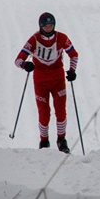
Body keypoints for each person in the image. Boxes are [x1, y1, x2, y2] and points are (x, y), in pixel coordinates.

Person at [14, 12, 79, 154]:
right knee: (44, 113)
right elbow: (18, 60)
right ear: (41, 26)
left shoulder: (61, 38)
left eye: (51, 25)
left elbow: (74, 54)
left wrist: (72, 70)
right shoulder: (34, 39)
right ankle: (44, 141)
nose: (49, 28)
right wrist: (25, 65)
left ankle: (62, 140)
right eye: (46, 26)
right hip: (40, 81)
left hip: (58, 80)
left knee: (61, 111)